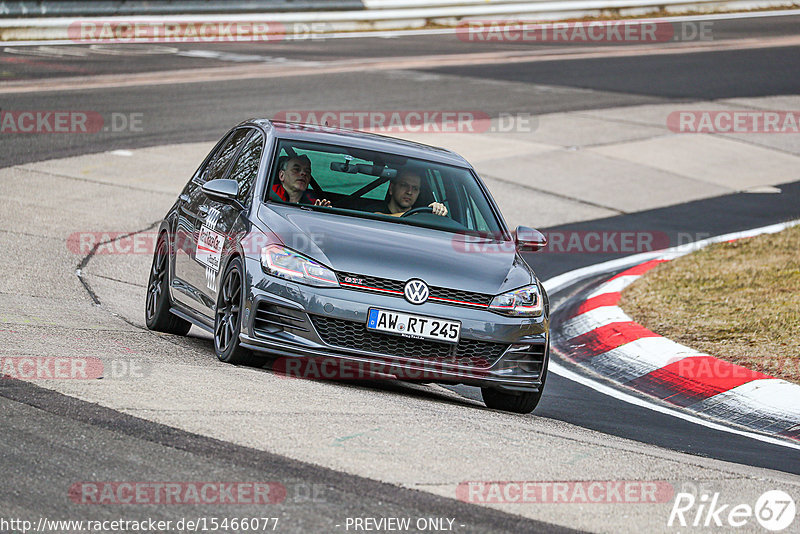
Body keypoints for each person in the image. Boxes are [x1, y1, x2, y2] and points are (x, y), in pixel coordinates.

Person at [377, 169, 448, 217]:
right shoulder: (373, 209)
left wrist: (437, 210)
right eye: (404, 185)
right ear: (391, 188)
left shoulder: (422, 216)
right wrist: (416, 216)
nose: (409, 192)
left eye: (415, 188)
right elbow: (377, 217)